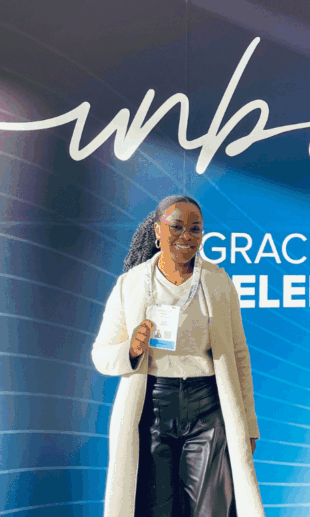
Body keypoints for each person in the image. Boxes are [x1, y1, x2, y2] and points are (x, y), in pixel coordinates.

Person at [91, 195, 265, 517]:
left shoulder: (217, 282)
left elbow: (239, 354)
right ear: (158, 231)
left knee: (213, 509)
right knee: (155, 509)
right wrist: (131, 349)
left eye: (195, 229)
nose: (187, 236)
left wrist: (248, 425)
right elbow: (101, 355)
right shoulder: (130, 285)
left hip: (208, 410)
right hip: (153, 410)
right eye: (177, 227)